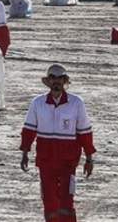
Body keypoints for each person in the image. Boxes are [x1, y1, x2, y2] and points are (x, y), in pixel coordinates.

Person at [20, 64, 95, 222]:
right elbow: (29, 130)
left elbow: (84, 132)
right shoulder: (37, 103)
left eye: (59, 78)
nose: (56, 81)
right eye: (53, 78)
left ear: (65, 80)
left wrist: (89, 158)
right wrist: (25, 152)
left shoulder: (76, 103)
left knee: (66, 201)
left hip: (68, 162)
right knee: (49, 201)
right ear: (48, 81)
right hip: (46, 161)